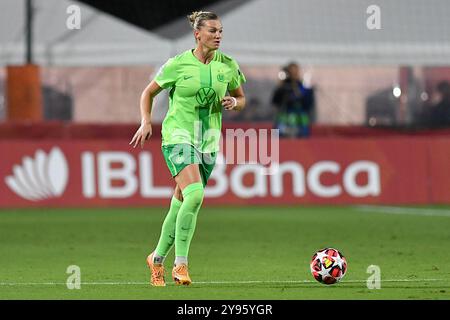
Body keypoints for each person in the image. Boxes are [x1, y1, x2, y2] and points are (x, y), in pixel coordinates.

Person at [129, 11, 246, 286]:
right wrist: (146, 121)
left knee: (182, 199)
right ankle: (180, 265)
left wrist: (233, 103)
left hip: (208, 142)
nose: (218, 36)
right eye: (213, 31)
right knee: (195, 196)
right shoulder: (177, 64)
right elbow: (148, 92)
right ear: (198, 34)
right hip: (178, 136)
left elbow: (241, 98)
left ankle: (156, 259)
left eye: (220, 31)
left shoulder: (227, 65)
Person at [271, 62, 314, 138]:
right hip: (285, 116)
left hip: (300, 118)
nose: (293, 74)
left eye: (295, 71)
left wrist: (300, 92)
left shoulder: (303, 86)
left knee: (303, 136)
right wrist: (280, 87)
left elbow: (309, 103)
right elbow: (275, 101)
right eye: (291, 71)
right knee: (279, 135)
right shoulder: (283, 86)